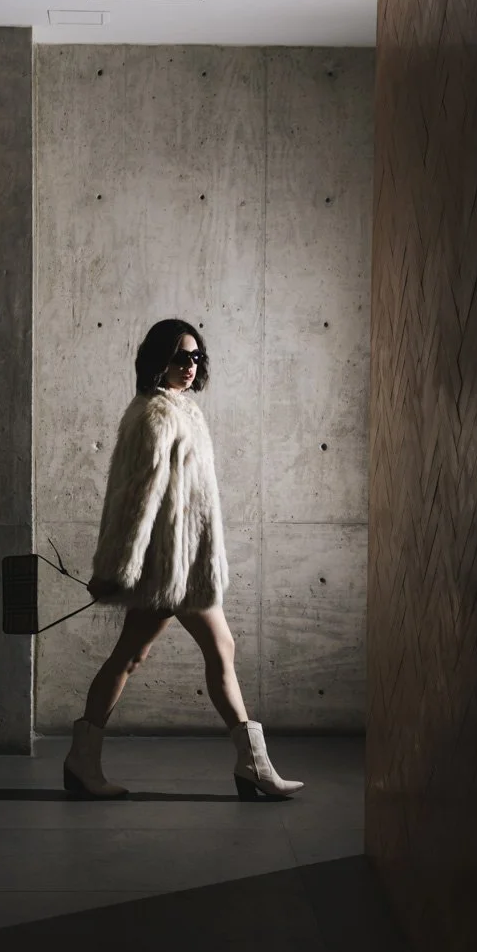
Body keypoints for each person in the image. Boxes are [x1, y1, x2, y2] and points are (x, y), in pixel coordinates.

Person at [63, 319, 303, 801]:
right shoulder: (156, 415)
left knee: (158, 654)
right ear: (158, 361)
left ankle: (84, 762)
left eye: (195, 357)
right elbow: (134, 500)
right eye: (179, 357)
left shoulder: (184, 411)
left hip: (188, 566)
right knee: (153, 655)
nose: (189, 366)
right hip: (167, 569)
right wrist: (115, 570)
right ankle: (250, 766)